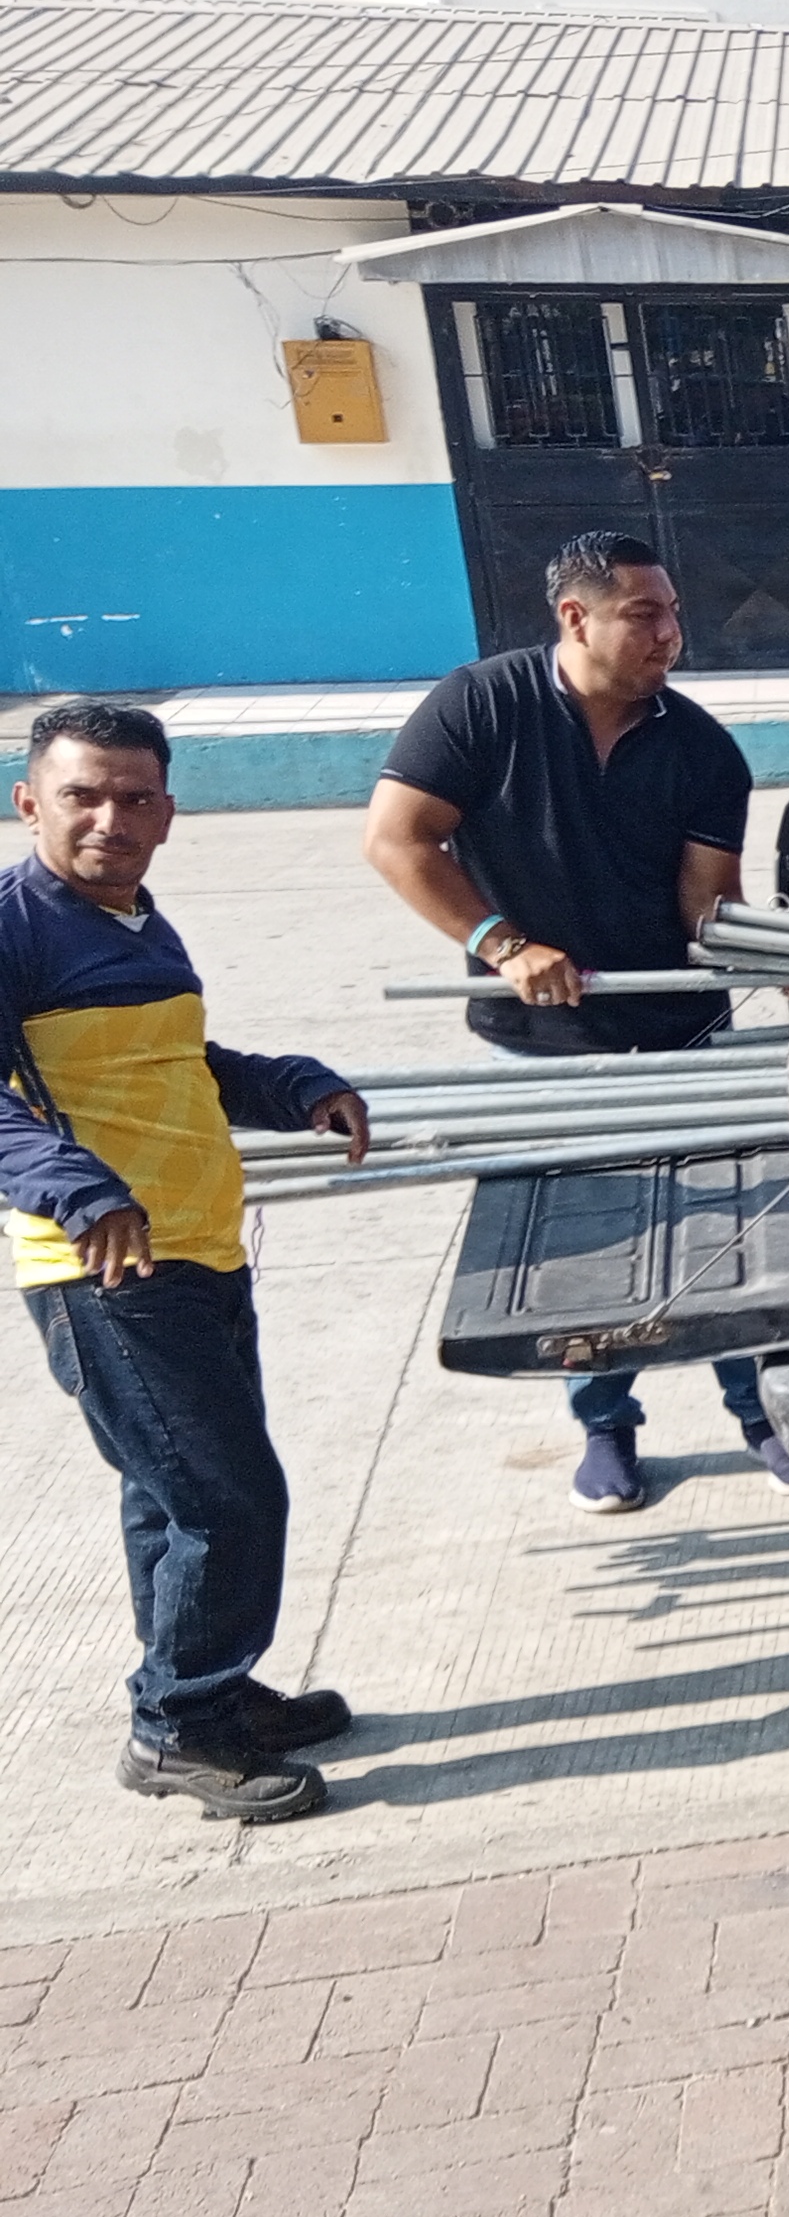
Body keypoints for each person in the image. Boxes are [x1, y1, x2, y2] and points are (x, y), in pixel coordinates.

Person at [362, 532, 789, 1511]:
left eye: (674, 613)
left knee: (728, 1235)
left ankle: (759, 1415)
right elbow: (397, 840)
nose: (670, 633)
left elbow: (706, 907)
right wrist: (502, 945)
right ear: (575, 618)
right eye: (643, 614)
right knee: (585, 1253)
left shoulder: (701, 748)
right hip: (541, 1044)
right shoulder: (481, 705)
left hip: (682, 1034)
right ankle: (606, 1427)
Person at [7, 701, 368, 1824]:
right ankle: (176, 1726)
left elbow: (175, 1064)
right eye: (81, 796)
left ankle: (209, 1687)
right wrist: (77, 1187)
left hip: (198, 1249)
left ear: (167, 812)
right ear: (29, 804)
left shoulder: (134, 923)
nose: (108, 819)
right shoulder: (14, 928)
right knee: (230, 1498)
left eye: (133, 798)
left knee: (171, 1497)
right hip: (106, 1270)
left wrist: (292, 1086)